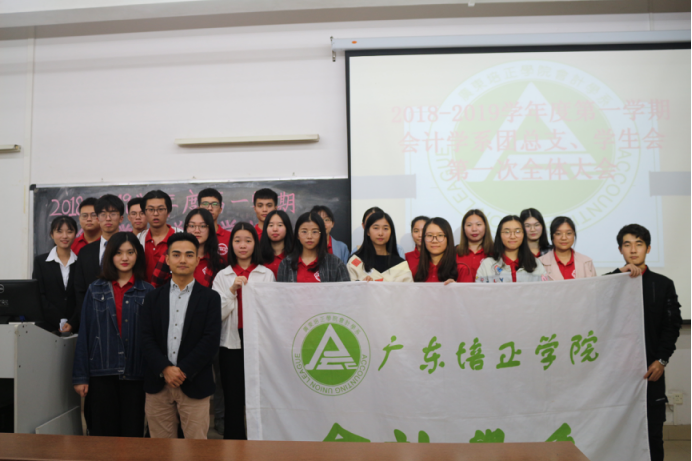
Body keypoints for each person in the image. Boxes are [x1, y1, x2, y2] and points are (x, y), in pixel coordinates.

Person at [605, 224, 682, 461]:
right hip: (617, 372)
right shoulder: (610, 282)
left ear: (648, 248)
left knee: (652, 433)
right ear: (620, 249)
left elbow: (672, 326)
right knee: (615, 432)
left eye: (639, 244)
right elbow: (591, 299)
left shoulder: (663, 283)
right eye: (627, 245)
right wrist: (618, 273)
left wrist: (661, 360)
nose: (633, 250)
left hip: (650, 371)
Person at [140, 233, 222, 440]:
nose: (182, 260)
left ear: (197, 259)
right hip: (158, 384)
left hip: (195, 383)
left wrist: (182, 371)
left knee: (196, 449)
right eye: (176, 255)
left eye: (189, 255)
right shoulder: (152, 297)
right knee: (161, 449)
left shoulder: (211, 298)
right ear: (167, 260)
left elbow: (210, 341)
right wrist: (165, 369)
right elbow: (146, 338)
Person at [72, 232, 153, 437]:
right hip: (101, 373)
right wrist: (81, 376)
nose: (124, 258)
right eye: (118, 253)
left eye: (130, 252)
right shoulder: (95, 289)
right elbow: (85, 334)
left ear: (138, 255)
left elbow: (153, 338)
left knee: (132, 436)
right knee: (102, 436)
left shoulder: (148, 291)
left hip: (136, 374)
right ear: (110, 256)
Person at [212, 223, 275, 440]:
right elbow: (217, 314)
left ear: (255, 244)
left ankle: (260, 442)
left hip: (258, 343)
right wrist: (232, 291)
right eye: (237, 240)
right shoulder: (223, 276)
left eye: (248, 240)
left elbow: (271, 311)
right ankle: (234, 444)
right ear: (231, 245)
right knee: (233, 397)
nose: (242, 245)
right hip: (231, 343)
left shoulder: (266, 274)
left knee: (259, 396)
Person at [69, 194, 125, 333]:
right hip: (93, 320)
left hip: (124, 318)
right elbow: (80, 290)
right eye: (103, 214)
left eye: (113, 214)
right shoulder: (85, 252)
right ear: (98, 218)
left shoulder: (132, 248)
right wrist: (85, 319)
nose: (108, 218)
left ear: (121, 218)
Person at [151, 209, 224, 288]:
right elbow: (155, 287)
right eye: (192, 226)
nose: (197, 230)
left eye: (202, 226)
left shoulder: (217, 262)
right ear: (186, 228)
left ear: (210, 229)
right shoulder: (171, 254)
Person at [33, 216, 78, 332]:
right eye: (59, 231)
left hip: (75, 327)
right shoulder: (40, 262)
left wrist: (72, 322)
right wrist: (59, 321)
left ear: (75, 235)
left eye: (69, 232)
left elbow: (83, 297)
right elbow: (38, 295)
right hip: (47, 326)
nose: (64, 236)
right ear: (52, 235)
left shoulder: (80, 263)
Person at [277, 212, 349, 283]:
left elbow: (346, 289)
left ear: (321, 235)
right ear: (297, 235)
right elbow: (280, 290)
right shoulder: (285, 264)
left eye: (314, 232)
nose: (309, 236)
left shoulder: (336, 264)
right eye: (304, 231)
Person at [476, 215, 549, 283]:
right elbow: (479, 291)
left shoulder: (535, 264)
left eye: (517, 231)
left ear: (524, 234)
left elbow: (545, 290)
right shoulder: (487, 264)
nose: (512, 236)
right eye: (507, 232)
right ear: (499, 235)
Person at [348, 212, 412, 282]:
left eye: (385, 228)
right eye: (376, 228)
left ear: (391, 232)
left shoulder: (401, 265)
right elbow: (348, 287)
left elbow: (409, 288)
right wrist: (362, 285)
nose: (380, 233)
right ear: (367, 232)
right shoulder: (355, 261)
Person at [138, 190, 182, 283]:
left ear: (168, 212)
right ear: (144, 212)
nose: (155, 214)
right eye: (151, 209)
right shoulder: (139, 238)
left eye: (160, 209)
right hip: (145, 290)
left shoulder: (181, 236)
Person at [414, 217, 473, 284]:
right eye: (430, 235)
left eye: (440, 235)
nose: (434, 240)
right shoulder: (416, 271)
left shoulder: (462, 269)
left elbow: (468, 291)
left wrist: (455, 288)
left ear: (448, 238)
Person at [456, 209, 494, 280]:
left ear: (485, 227)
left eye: (478, 224)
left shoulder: (495, 251)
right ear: (464, 228)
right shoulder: (454, 252)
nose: (474, 229)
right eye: (469, 225)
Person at [259, 209, 293, 279]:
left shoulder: (295, 255)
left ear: (287, 228)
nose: (275, 229)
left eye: (280, 225)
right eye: (271, 225)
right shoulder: (258, 255)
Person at [198, 188, 230, 260]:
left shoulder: (230, 237)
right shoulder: (192, 237)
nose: (210, 208)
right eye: (205, 204)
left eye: (215, 204)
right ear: (198, 209)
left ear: (220, 210)